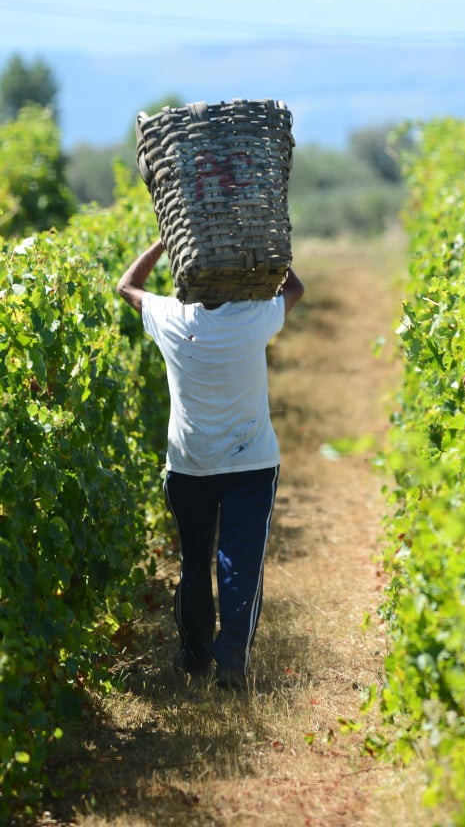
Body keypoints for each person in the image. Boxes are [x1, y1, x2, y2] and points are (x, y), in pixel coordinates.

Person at [117, 240, 305, 689]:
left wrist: (168, 237)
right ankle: (233, 663)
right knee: (241, 564)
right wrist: (265, 243)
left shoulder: (169, 317)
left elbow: (127, 285)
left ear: (183, 275)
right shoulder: (251, 318)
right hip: (252, 465)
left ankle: (195, 655)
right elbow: (294, 287)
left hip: (189, 465)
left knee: (194, 564)